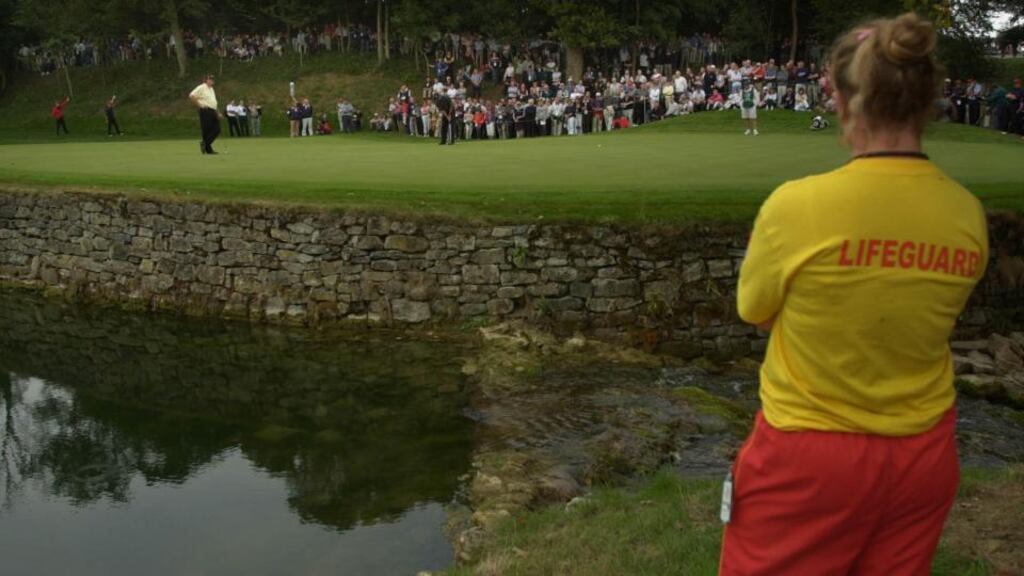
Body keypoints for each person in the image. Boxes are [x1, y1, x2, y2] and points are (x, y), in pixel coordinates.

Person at [722, 13, 988, 575]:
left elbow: (755, 311)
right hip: (924, 453)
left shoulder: (797, 206)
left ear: (841, 100)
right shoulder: (966, 212)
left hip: (810, 452)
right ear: (926, 100)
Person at [189, 74, 220, 154]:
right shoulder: (201, 87)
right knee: (207, 130)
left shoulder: (212, 89)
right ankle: (208, 149)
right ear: (206, 80)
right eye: (210, 79)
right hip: (205, 110)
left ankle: (204, 143)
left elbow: (213, 101)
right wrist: (200, 105)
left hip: (212, 111)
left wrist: (217, 112)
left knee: (217, 129)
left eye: (212, 79)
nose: (211, 81)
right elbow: (192, 95)